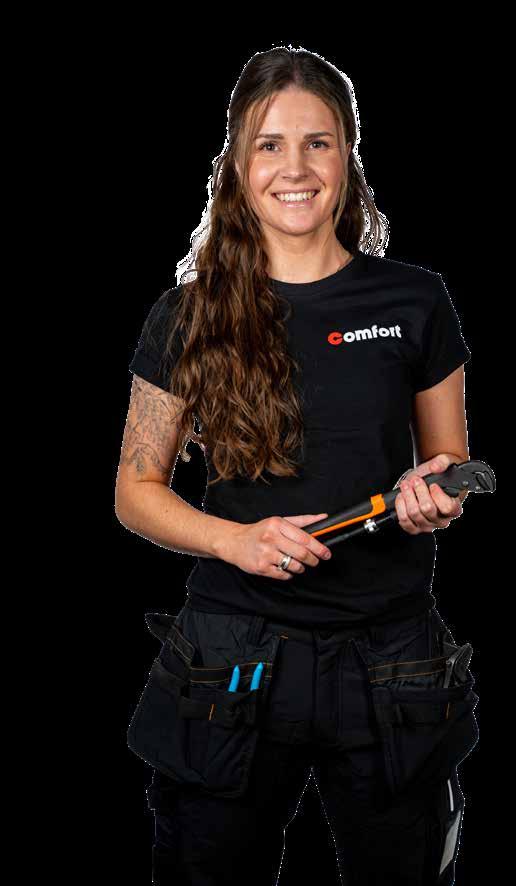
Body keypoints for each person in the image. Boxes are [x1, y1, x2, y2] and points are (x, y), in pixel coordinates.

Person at [116, 47, 478, 886]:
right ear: (237, 167)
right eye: (270, 145)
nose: (296, 168)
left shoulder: (415, 300)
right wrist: (235, 541)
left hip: (391, 662)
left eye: (318, 143)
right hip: (231, 659)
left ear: (348, 156)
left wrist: (434, 492)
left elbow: (449, 457)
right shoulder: (186, 315)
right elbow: (135, 491)